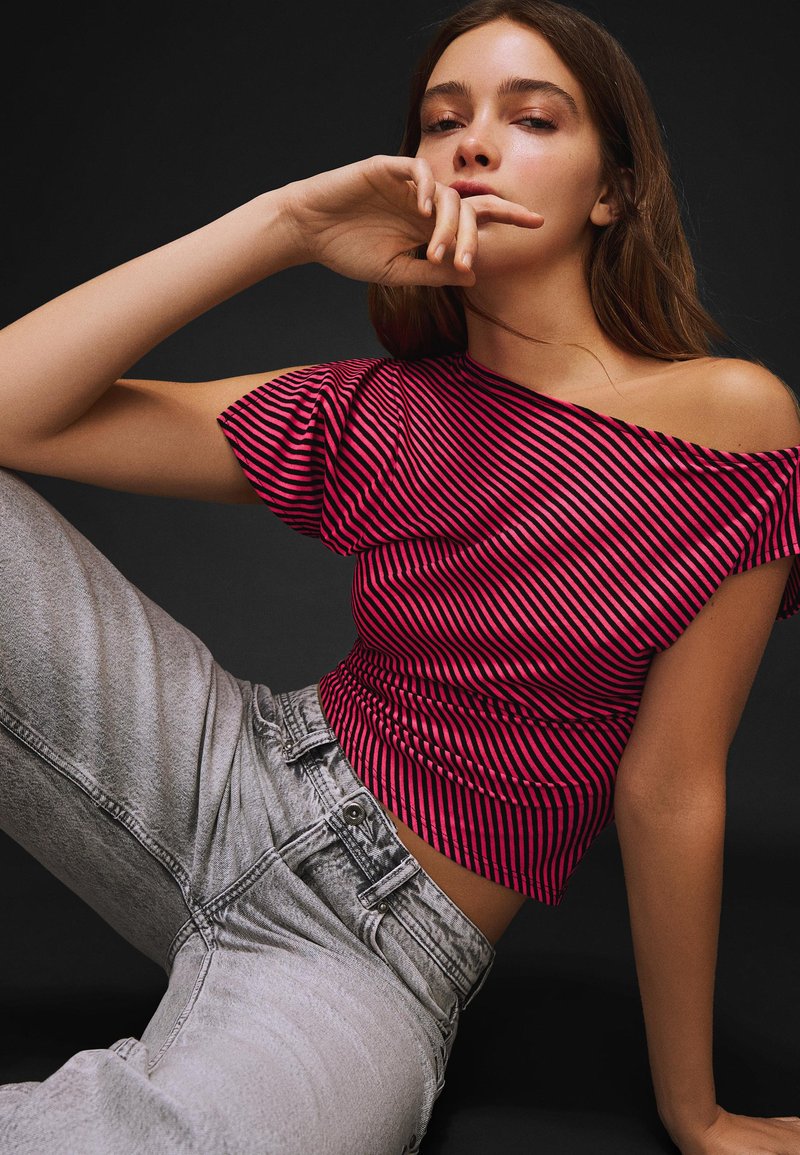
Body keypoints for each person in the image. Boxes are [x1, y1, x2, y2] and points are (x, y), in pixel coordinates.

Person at [0, 0, 798, 1151]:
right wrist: (282, 225)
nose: (472, 146)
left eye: (531, 118)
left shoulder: (731, 422)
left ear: (613, 189)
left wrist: (696, 1112)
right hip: (218, 777)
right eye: (442, 121)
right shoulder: (370, 412)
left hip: (373, 951)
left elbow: (669, 785)